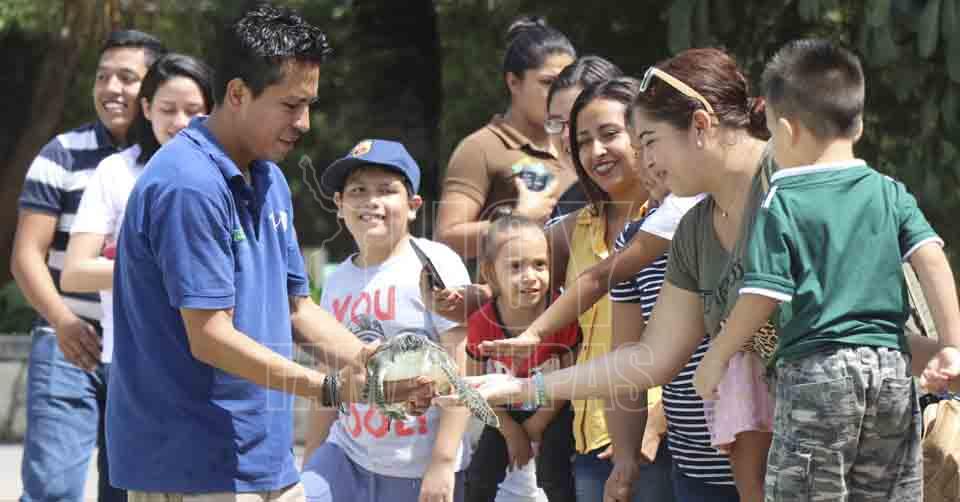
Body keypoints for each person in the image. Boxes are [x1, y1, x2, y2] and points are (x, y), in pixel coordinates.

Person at [106, 6, 430, 501]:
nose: (304, 123)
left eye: (310, 105)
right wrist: (327, 388)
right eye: (291, 105)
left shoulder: (269, 178)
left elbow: (296, 308)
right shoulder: (187, 183)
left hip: (265, 461)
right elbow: (210, 336)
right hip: (192, 465)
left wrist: (375, 363)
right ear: (238, 93)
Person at [692, 39, 960, 501]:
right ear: (858, 124)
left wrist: (718, 355)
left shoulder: (783, 200)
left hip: (818, 372)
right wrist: (951, 345)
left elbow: (763, 294)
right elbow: (932, 259)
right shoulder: (888, 190)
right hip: (892, 370)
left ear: (788, 130)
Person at [11, 29, 165, 502]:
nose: (111, 89)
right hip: (66, 342)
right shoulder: (61, 153)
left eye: (126, 78)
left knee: (127, 488)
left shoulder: (175, 161)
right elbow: (26, 255)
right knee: (53, 488)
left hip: (143, 347)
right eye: (102, 77)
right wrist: (63, 321)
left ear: (152, 88)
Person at [300, 139, 473, 502]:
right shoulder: (336, 280)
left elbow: (461, 362)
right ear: (339, 205)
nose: (371, 201)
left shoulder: (435, 263)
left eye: (386, 190)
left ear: (413, 206)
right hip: (346, 456)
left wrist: (442, 462)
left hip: (416, 466)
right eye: (358, 191)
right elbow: (329, 373)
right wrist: (312, 456)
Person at [62, 53, 214, 369]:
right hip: (133, 363)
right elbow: (75, 273)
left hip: (211, 362)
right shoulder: (116, 172)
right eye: (167, 110)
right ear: (146, 109)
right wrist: (168, 268)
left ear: (211, 111)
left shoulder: (228, 176)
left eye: (193, 111)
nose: (180, 122)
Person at [436, 16, 576, 259]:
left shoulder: (581, 144)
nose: (558, 93)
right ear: (513, 82)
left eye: (566, 83)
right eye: (547, 82)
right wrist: (518, 220)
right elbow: (445, 239)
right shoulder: (480, 147)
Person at [464, 215, 579, 502]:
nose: (530, 276)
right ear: (490, 273)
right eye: (515, 266)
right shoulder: (482, 323)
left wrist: (538, 423)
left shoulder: (560, 314)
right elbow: (473, 388)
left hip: (554, 407)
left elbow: (572, 378)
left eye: (539, 264)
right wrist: (509, 431)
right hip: (503, 413)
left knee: (554, 473)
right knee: (479, 477)